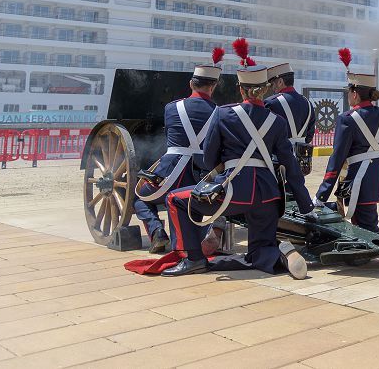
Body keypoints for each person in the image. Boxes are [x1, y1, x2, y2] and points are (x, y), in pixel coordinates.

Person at [163, 41, 312, 278]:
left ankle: (193, 259)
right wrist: (306, 205)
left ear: (241, 89)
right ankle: (281, 255)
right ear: (264, 89)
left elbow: (209, 158)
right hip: (269, 196)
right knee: (260, 251)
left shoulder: (223, 114)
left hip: (234, 192)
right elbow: (290, 168)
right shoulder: (277, 122)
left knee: (175, 199)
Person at [133, 49, 223, 254]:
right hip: (200, 178)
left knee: (140, 197)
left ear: (191, 84)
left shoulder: (171, 108)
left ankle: (157, 233)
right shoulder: (220, 113)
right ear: (214, 86)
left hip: (169, 175)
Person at [316, 68, 379, 232]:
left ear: (354, 94)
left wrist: (322, 195)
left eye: (349, 91)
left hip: (358, 180)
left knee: (363, 229)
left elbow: (337, 158)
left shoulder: (347, 119)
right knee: (368, 220)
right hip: (378, 177)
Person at [265, 62, 316, 179]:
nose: (272, 88)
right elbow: (310, 134)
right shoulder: (307, 103)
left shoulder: (271, 102)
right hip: (300, 160)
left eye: (273, 84)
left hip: (278, 161)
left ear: (280, 81)